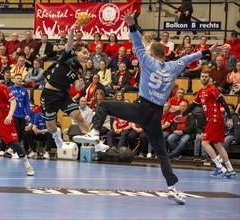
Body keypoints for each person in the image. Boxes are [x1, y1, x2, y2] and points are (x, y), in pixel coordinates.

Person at [74, 10, 218, 205]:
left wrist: (132, 24)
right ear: (164, 54)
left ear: (151, 53)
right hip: (155, 116)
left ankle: (95, 133)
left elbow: (136, 43)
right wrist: (207, 52)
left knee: (105, 104)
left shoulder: (147, 60)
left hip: (141, 109)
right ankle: (172, 188)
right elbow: (190, 58)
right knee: (161, 154)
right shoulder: (174, 66)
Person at [40, 21, 91, 149]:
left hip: (63, 95)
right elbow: (69, 43)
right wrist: (72, 30)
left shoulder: (80, 69)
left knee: (79, 117)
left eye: (88, 54)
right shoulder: (67, 56)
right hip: (49, 94)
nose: (86, 56)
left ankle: (93, 141)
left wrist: (79, 86)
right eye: (84, 52)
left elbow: (76, 87)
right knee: (51, 126)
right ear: (76, 52)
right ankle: (56, 135)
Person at [176, 70, 236, 178]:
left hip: (215, 119)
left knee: (204, 143)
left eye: (206, 76)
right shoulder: (200, 92)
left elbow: (224, 103)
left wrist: (230, 118)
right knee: (218, 145)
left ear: (209, 78)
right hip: (213, 120)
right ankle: (230, 169)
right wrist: (182, 114)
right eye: (202, 76)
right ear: (200, 78)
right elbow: (192, 106)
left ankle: (219, 167)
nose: (203, 78)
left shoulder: (213, 89)